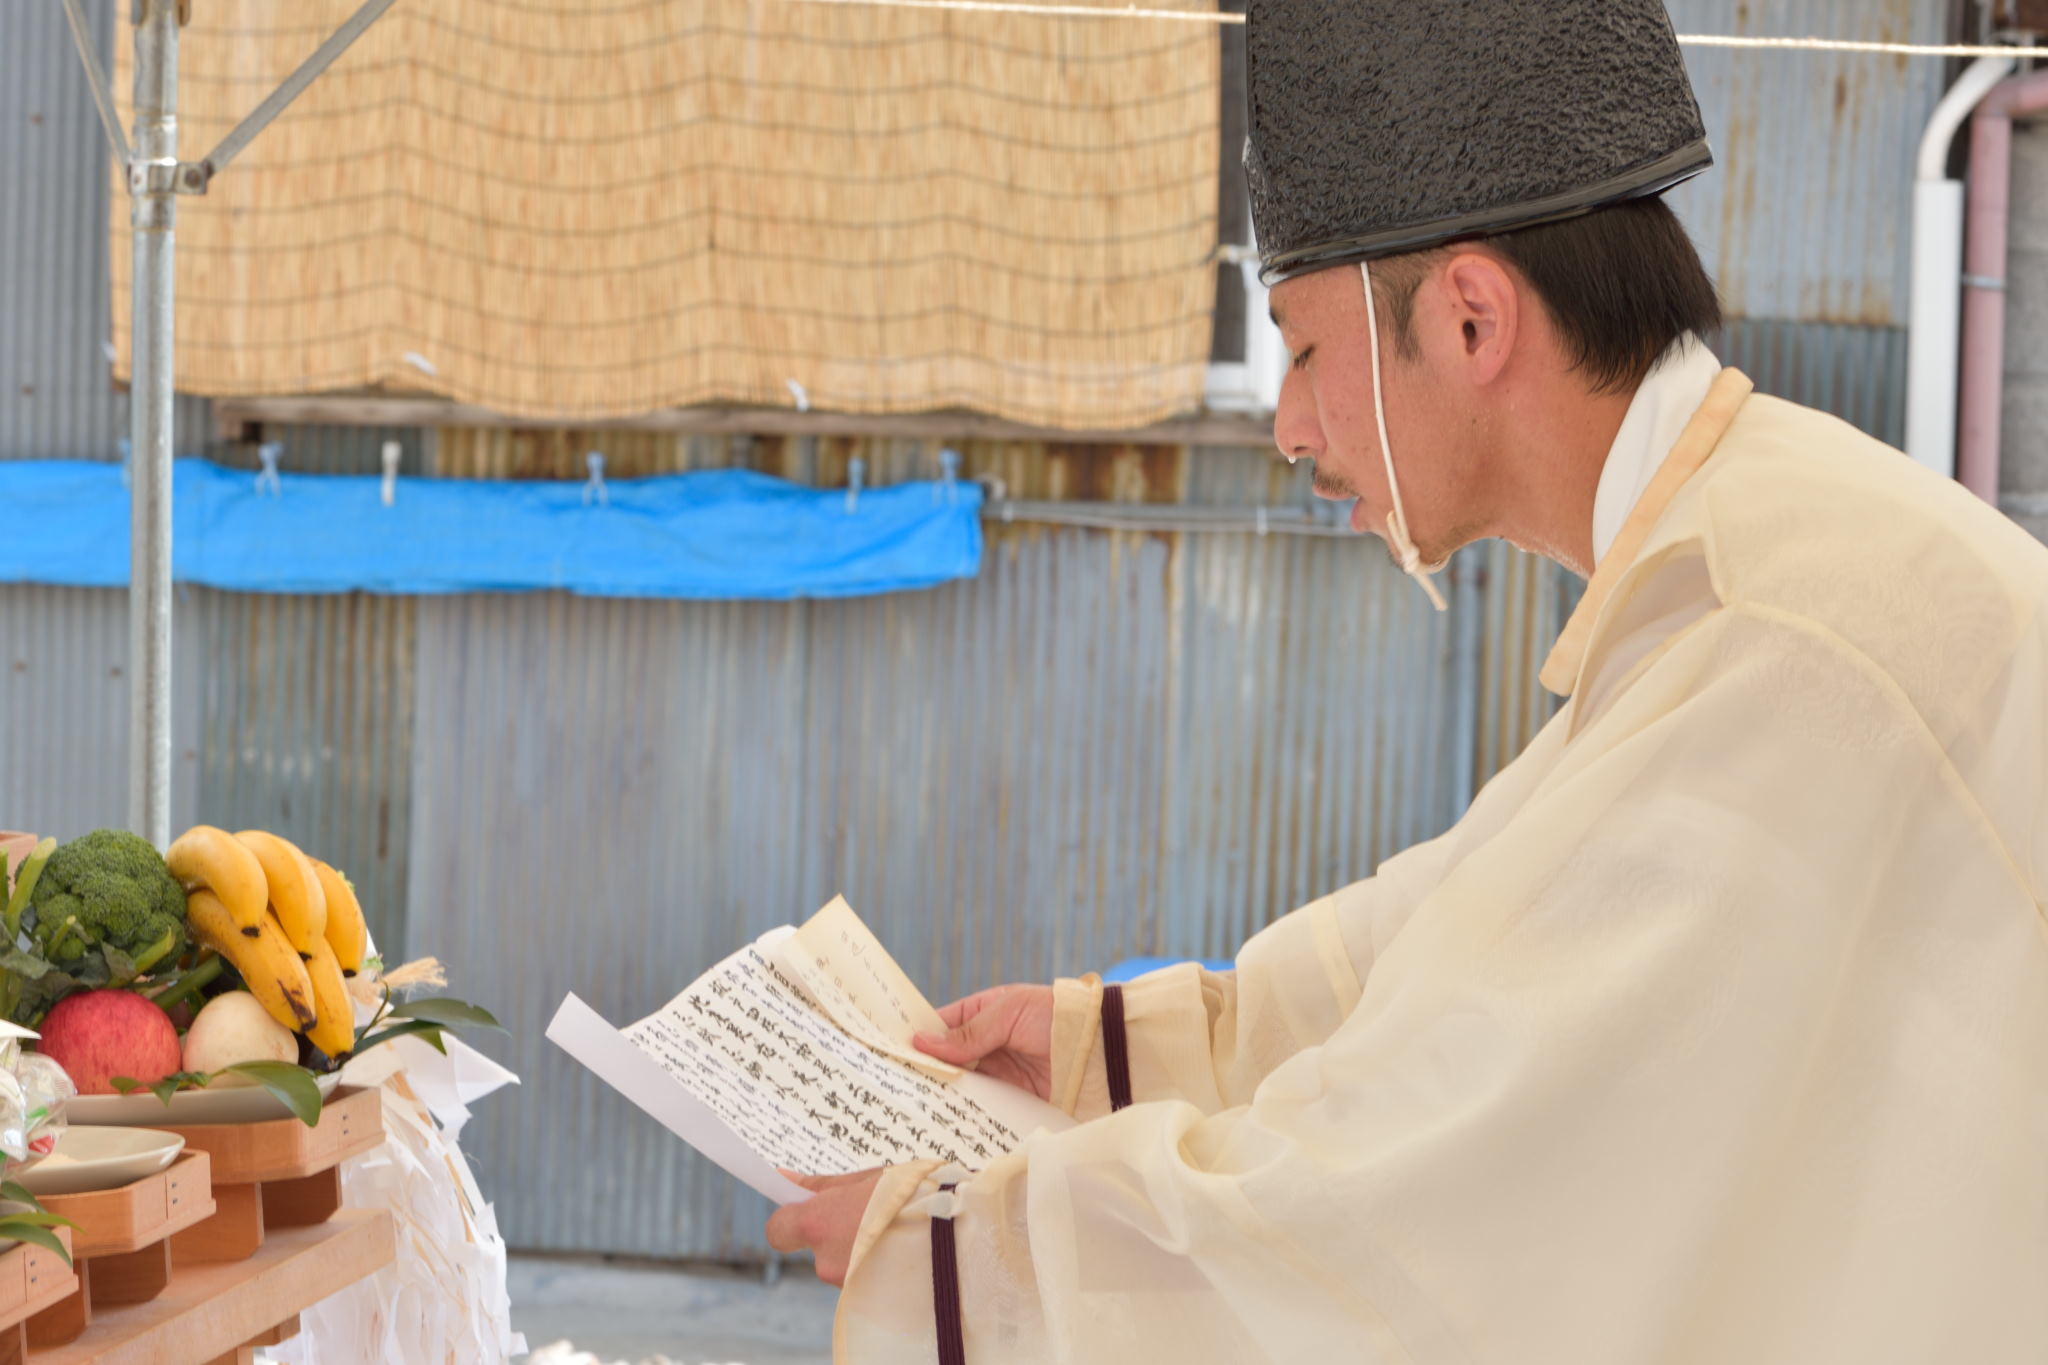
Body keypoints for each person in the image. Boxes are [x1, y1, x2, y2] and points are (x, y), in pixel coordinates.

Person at [767, 1, 2048, 1359]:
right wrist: (1105, 1054)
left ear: (1473, 316)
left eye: (1308, 351)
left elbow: (1434, 1189)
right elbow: (1457, 938)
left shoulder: (1772, 637)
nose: (1290, 428)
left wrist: (962, 1251)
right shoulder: (1746, 549)